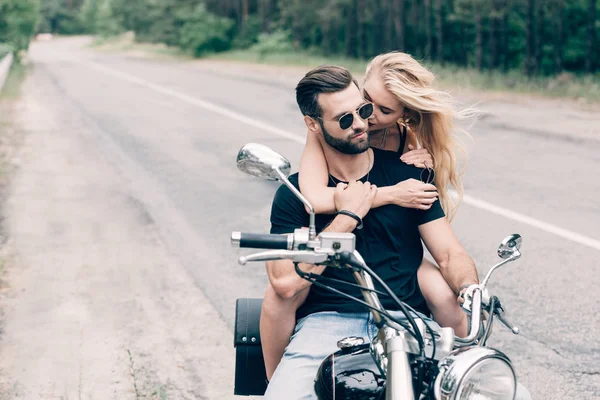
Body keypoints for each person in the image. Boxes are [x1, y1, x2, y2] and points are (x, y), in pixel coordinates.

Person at [262, 64, 479, 399]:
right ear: (313, 125)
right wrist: (347, 216)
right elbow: (285, 283)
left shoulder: (410, 173)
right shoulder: (296, 196)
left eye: (363, 110)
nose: (362, 123)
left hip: (408, 321)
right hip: (326, 324)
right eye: (345, 120)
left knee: (503, 390)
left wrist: (470, 287)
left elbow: (450, 254)